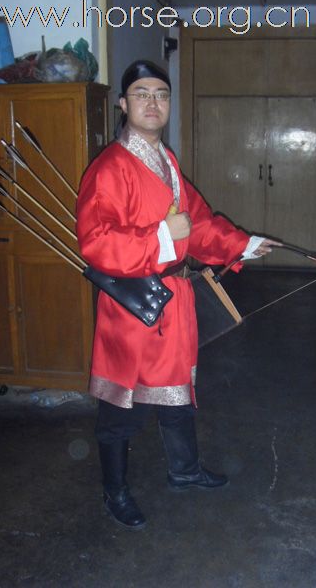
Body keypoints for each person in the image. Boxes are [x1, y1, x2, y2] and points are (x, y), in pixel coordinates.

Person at [76, 60, 280, 530]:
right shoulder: (110, 168)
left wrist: (241, 244)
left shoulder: (165, 161)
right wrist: (161, 237)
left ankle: (184, 470)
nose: (153, 102)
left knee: (177, 393)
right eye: (142, 94)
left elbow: (198, 224)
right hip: (135, 305)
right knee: (123, 405)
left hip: (175, 297)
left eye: (161, 94)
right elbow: (97, 244)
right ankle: (115, 491)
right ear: (123, 104)